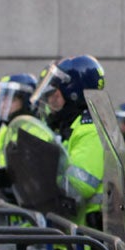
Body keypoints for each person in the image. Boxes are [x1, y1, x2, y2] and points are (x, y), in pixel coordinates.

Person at [29, 55, 106, 228]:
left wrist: (34, 181)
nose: (50, 101)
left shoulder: (90, 129)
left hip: (85, 241)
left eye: (54, 95)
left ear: (73, 94)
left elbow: (77, 187)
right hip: (66, 234)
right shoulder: (66, 127)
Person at [0, 72, 39, 200]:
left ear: (27, 101)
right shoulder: (4, 131)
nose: (4, 104)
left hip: (25, 212)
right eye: (2, 98)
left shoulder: (34, 131)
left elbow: (35, 181)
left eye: (12, 99)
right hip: (1, 207)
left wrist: (14, 188)